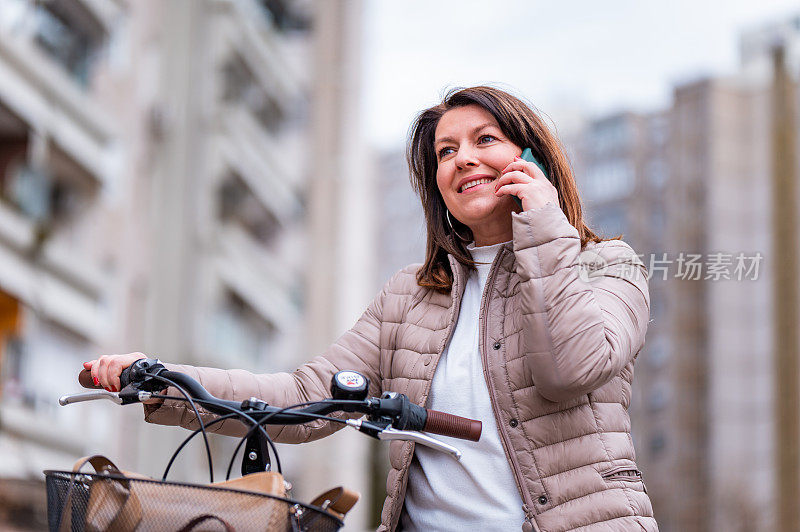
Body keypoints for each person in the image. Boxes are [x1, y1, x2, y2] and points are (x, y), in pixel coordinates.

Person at [86, 86, 657, 531]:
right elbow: (304, 397)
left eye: (486, 140)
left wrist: (544, 227)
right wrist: (167, 381)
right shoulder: (410, 293)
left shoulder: (608, 266)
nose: (463, 160)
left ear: (531, 157)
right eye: (446, 152)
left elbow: (569, 368)